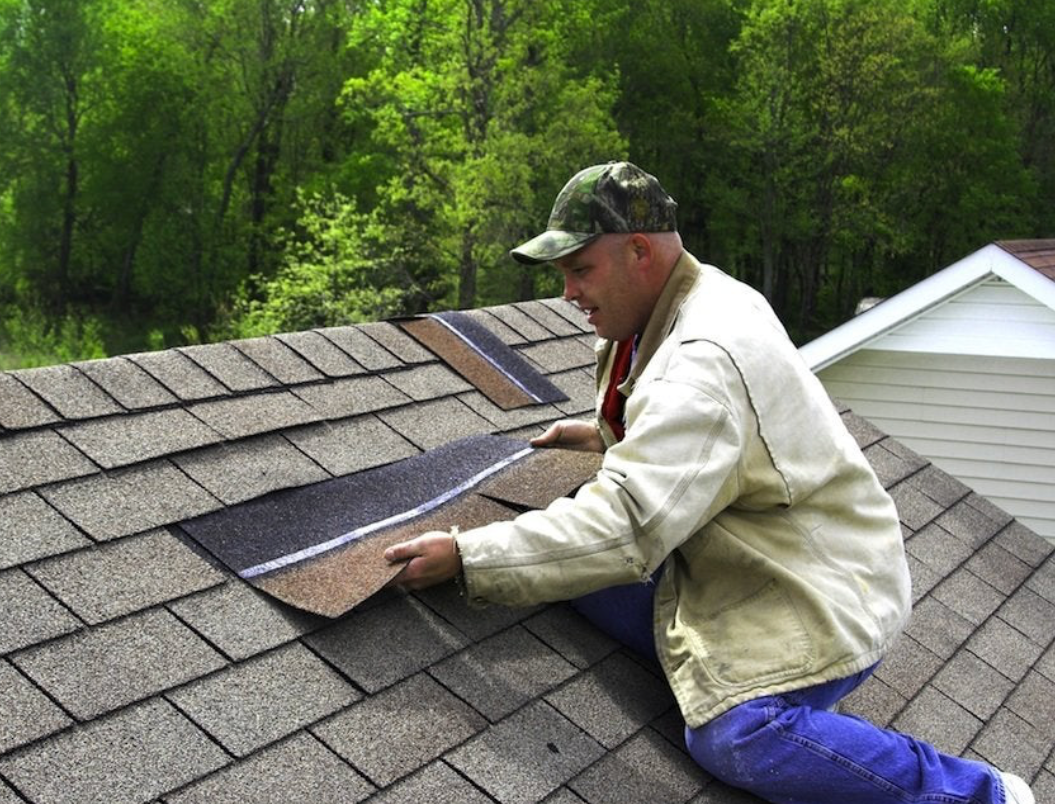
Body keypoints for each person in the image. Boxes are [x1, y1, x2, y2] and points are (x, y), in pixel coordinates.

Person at [384, 161, 1034, 804]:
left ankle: (980, 794)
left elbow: (628, 527)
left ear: (639, 250)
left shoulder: (701, 361)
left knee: (733, 734)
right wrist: (607, 435)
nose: (568, 294)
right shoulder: (677, 302)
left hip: (816, 588)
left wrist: (468, 556)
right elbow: (694, 435)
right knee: (556, 553)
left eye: (580, 269)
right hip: (747, 547)